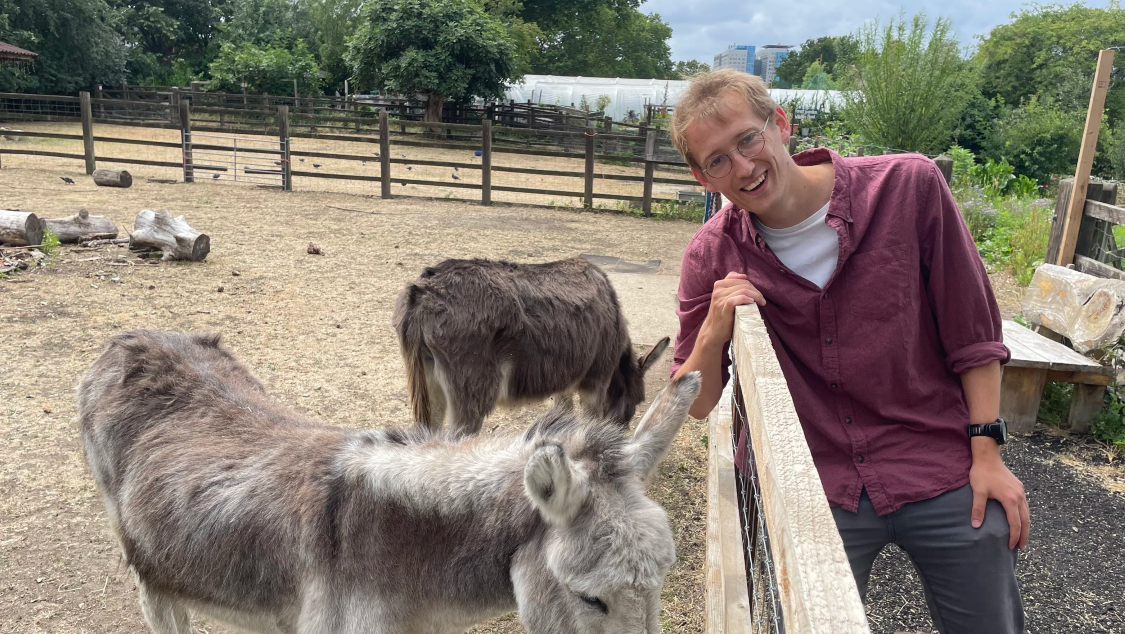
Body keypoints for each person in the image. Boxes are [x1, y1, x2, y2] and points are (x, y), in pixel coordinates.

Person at [668, 69, 1028, 633]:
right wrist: (715, 329)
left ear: (780, 125)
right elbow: (695, 401)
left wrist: (988, 456)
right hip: (811, 480)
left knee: (989, 614)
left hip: (936, 458)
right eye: (717, 160)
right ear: (701, 177)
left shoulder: (909, 187)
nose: (742, 167)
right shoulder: (712, 253)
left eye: (747, 139)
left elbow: (973, 332)